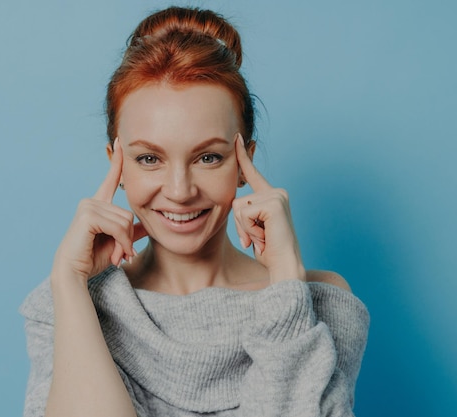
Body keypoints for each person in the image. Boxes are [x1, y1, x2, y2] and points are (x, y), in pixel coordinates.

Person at [20, 6, 369, 417]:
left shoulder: (321, 302)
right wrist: (69, 281)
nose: (180, 191)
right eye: (150, 159)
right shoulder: (68, 302)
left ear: (244, 163)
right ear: (117, 164)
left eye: (208, 158)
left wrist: (286, 283)